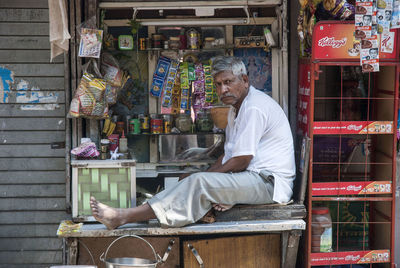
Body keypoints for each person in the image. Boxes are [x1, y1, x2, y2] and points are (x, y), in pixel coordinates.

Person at [90, 56, 296, 229]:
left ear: (244, 80)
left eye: (228, 82)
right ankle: (134, 213)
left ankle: (122, 216)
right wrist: (209, 179)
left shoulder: (254, 107)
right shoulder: (236, 109)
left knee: (198, 182)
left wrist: (206, 179)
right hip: (253, 179)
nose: (223, 89)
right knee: (193, 179)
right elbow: (228, 155)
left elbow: (242, 160)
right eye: (218, 84)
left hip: (268, 184)